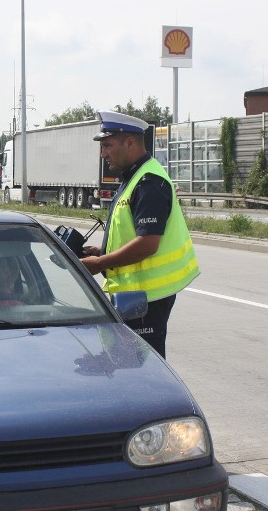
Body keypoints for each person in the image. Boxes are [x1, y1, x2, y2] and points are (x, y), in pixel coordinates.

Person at [80, 111, 199, 358]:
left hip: (148, 297)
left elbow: (148, 243)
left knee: (144, 369)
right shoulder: (133, 178)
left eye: (108, 145)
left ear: (130, 142)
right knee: (126, 362)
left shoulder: (149, 182)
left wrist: (100, 263)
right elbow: (134, 235)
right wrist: (102, 252)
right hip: (135, 294)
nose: (103, 154)